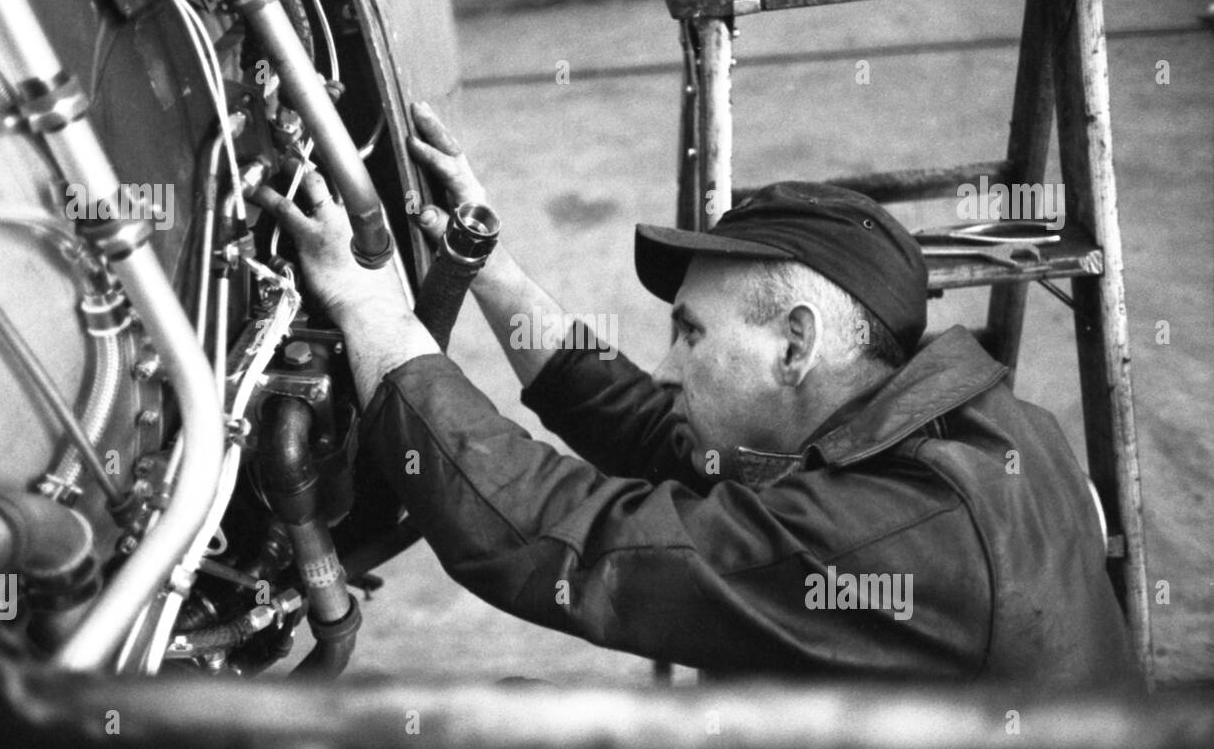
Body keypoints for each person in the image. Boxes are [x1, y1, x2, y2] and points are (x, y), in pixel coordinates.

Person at [275, 101, 1142, 690]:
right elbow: (665, 436)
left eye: (691, 333)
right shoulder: (959, 425)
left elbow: (568, 544)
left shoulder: (891, 535)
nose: (667, 364)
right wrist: (488, 266)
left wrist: (369, 313)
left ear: (796, 344)